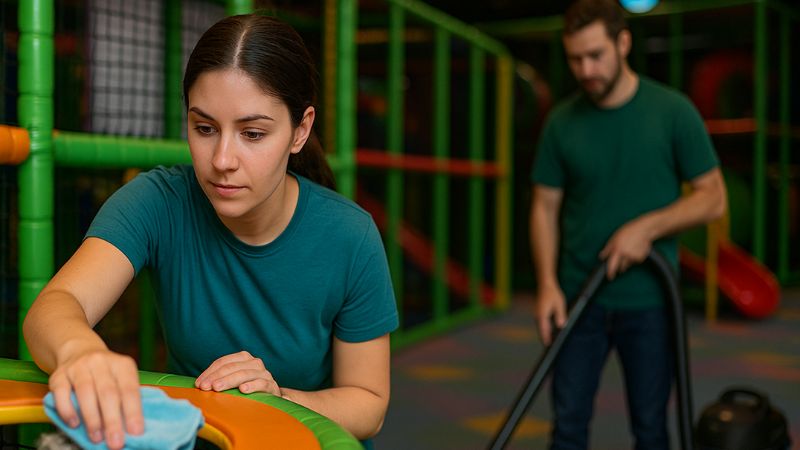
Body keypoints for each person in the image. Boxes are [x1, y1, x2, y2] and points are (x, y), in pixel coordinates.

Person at [23, 14, 398, 450]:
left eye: (252, 134)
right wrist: (80, 352)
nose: (222, 159)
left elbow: (369, 404)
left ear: (301, 129)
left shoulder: (350, 235)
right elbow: (56, 306)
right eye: (204, 128)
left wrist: (279, 399)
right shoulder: (157, 201)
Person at [529, 0, 727, 449]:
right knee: (568, 428)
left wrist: (647, 228)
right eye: (575, 59)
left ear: (623, 43)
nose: (586, 69)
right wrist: (546, 285)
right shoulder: (561, 122)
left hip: (651, 302)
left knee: (651, 429)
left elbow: (714, 198)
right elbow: (544, 206)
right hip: (580, 296)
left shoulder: (673, 112)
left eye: (596, 55)